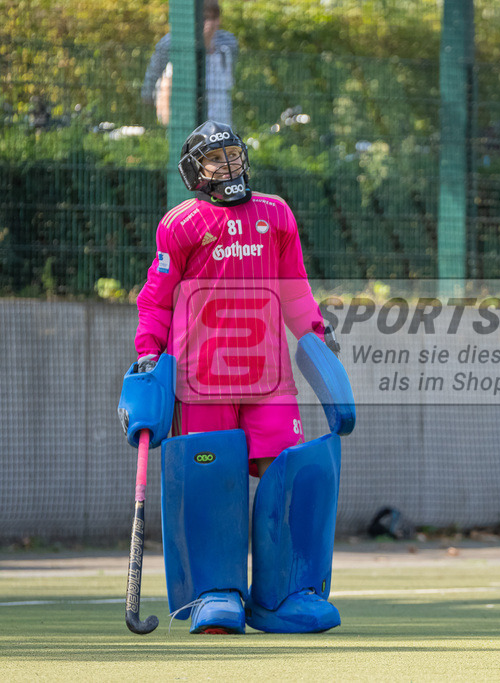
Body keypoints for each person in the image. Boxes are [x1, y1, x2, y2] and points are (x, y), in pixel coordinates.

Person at [123, 120, 345, 635]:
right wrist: (148, 354)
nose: (227, 165)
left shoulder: (276, 213)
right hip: (200, 378)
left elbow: (295, 288)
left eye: (232, 154)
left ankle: (284, 594)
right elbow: (156, 300)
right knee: (211, 476)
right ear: (194, 172)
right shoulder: (179, 224)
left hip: (270, 376)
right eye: (214, 159)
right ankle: (215, 592)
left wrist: (315, 333)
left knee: (284, 473)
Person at [141, 0, 238, 126]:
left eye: (214, 18)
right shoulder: (170, 45)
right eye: (205, 18)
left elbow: (228, 83)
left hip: (220, 124)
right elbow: (149, 90)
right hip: (184, 122)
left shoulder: (228, 45)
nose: (210, 24)